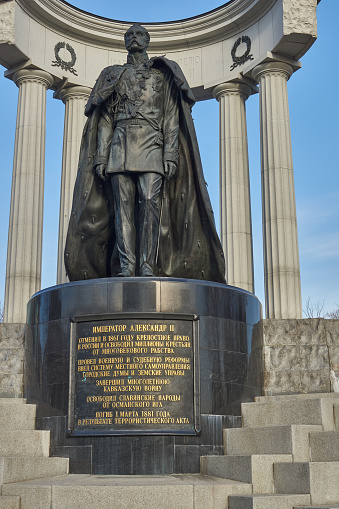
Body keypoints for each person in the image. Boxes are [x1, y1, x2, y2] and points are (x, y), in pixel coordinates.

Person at [65, 24, 225, 284]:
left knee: (150, 203)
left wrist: (170, 154)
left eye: (139, 34)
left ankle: (147, 265)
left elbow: (171, 118)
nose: (134, 38)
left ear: (147, 40)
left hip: (152, 144)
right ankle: (128, 267)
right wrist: (102, 156)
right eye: (129, 35)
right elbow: (105, 119)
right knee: (123, 209)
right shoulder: (112, 76)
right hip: (120, 146)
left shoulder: (162, 77)